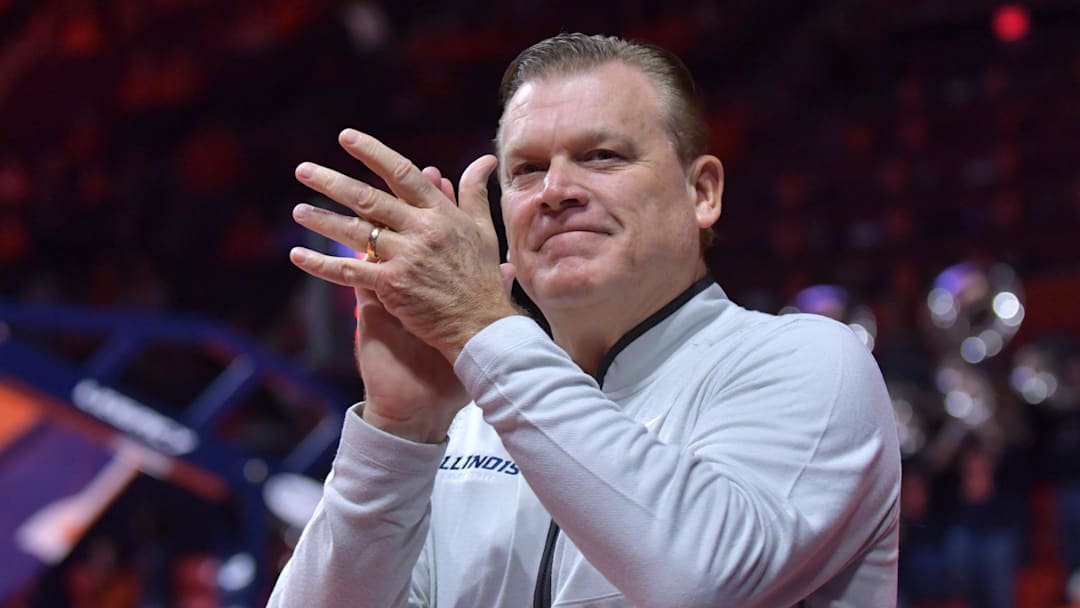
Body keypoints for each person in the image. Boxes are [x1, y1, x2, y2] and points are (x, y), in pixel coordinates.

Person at [268, 33, 900, 607]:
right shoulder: (466, 422)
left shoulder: (810, 362)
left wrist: (481, 330)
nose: (556, 190)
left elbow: (700, 581)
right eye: (527, 170)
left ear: (702, 192)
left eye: (601, 155)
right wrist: (398, 434)